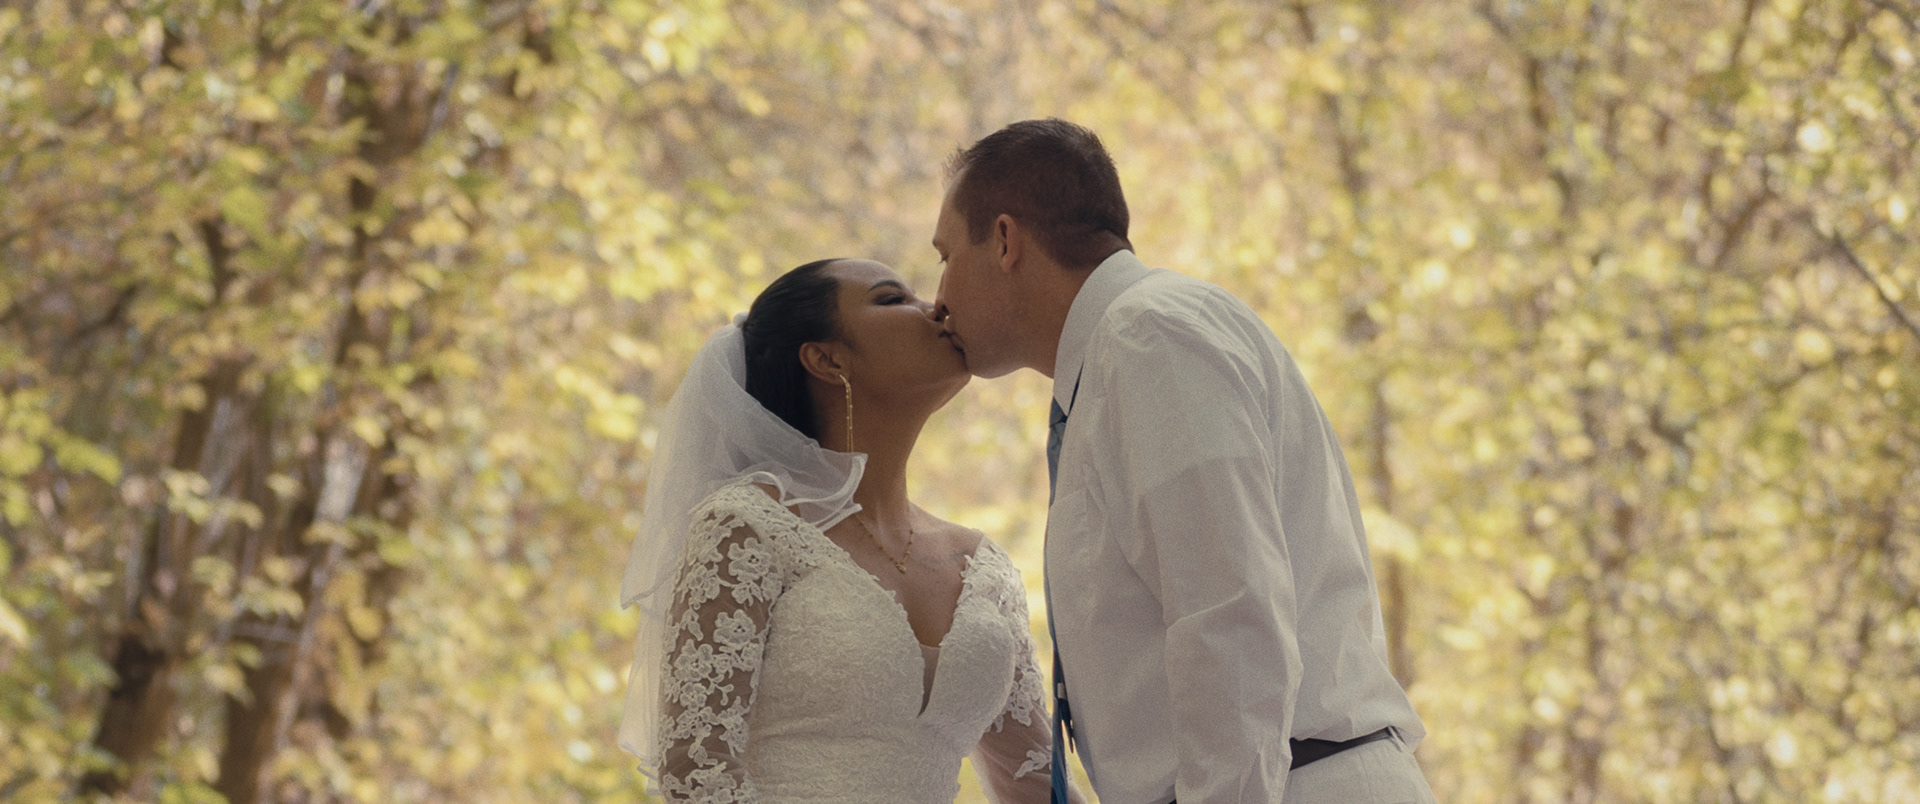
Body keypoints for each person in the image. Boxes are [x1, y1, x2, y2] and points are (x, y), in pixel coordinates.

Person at [932, 119, 1435, 804]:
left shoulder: (1149, 338)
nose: (937, 300)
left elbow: (1230, 620)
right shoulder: (1118, 359)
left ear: (1004, 239)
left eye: (943, 255)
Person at [618, 258, 1068, 803]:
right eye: (892, 298)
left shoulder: (982, 566)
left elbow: (1039, 785)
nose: (937, 308)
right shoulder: (748, 527)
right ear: (827, 359)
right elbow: (697, 771)